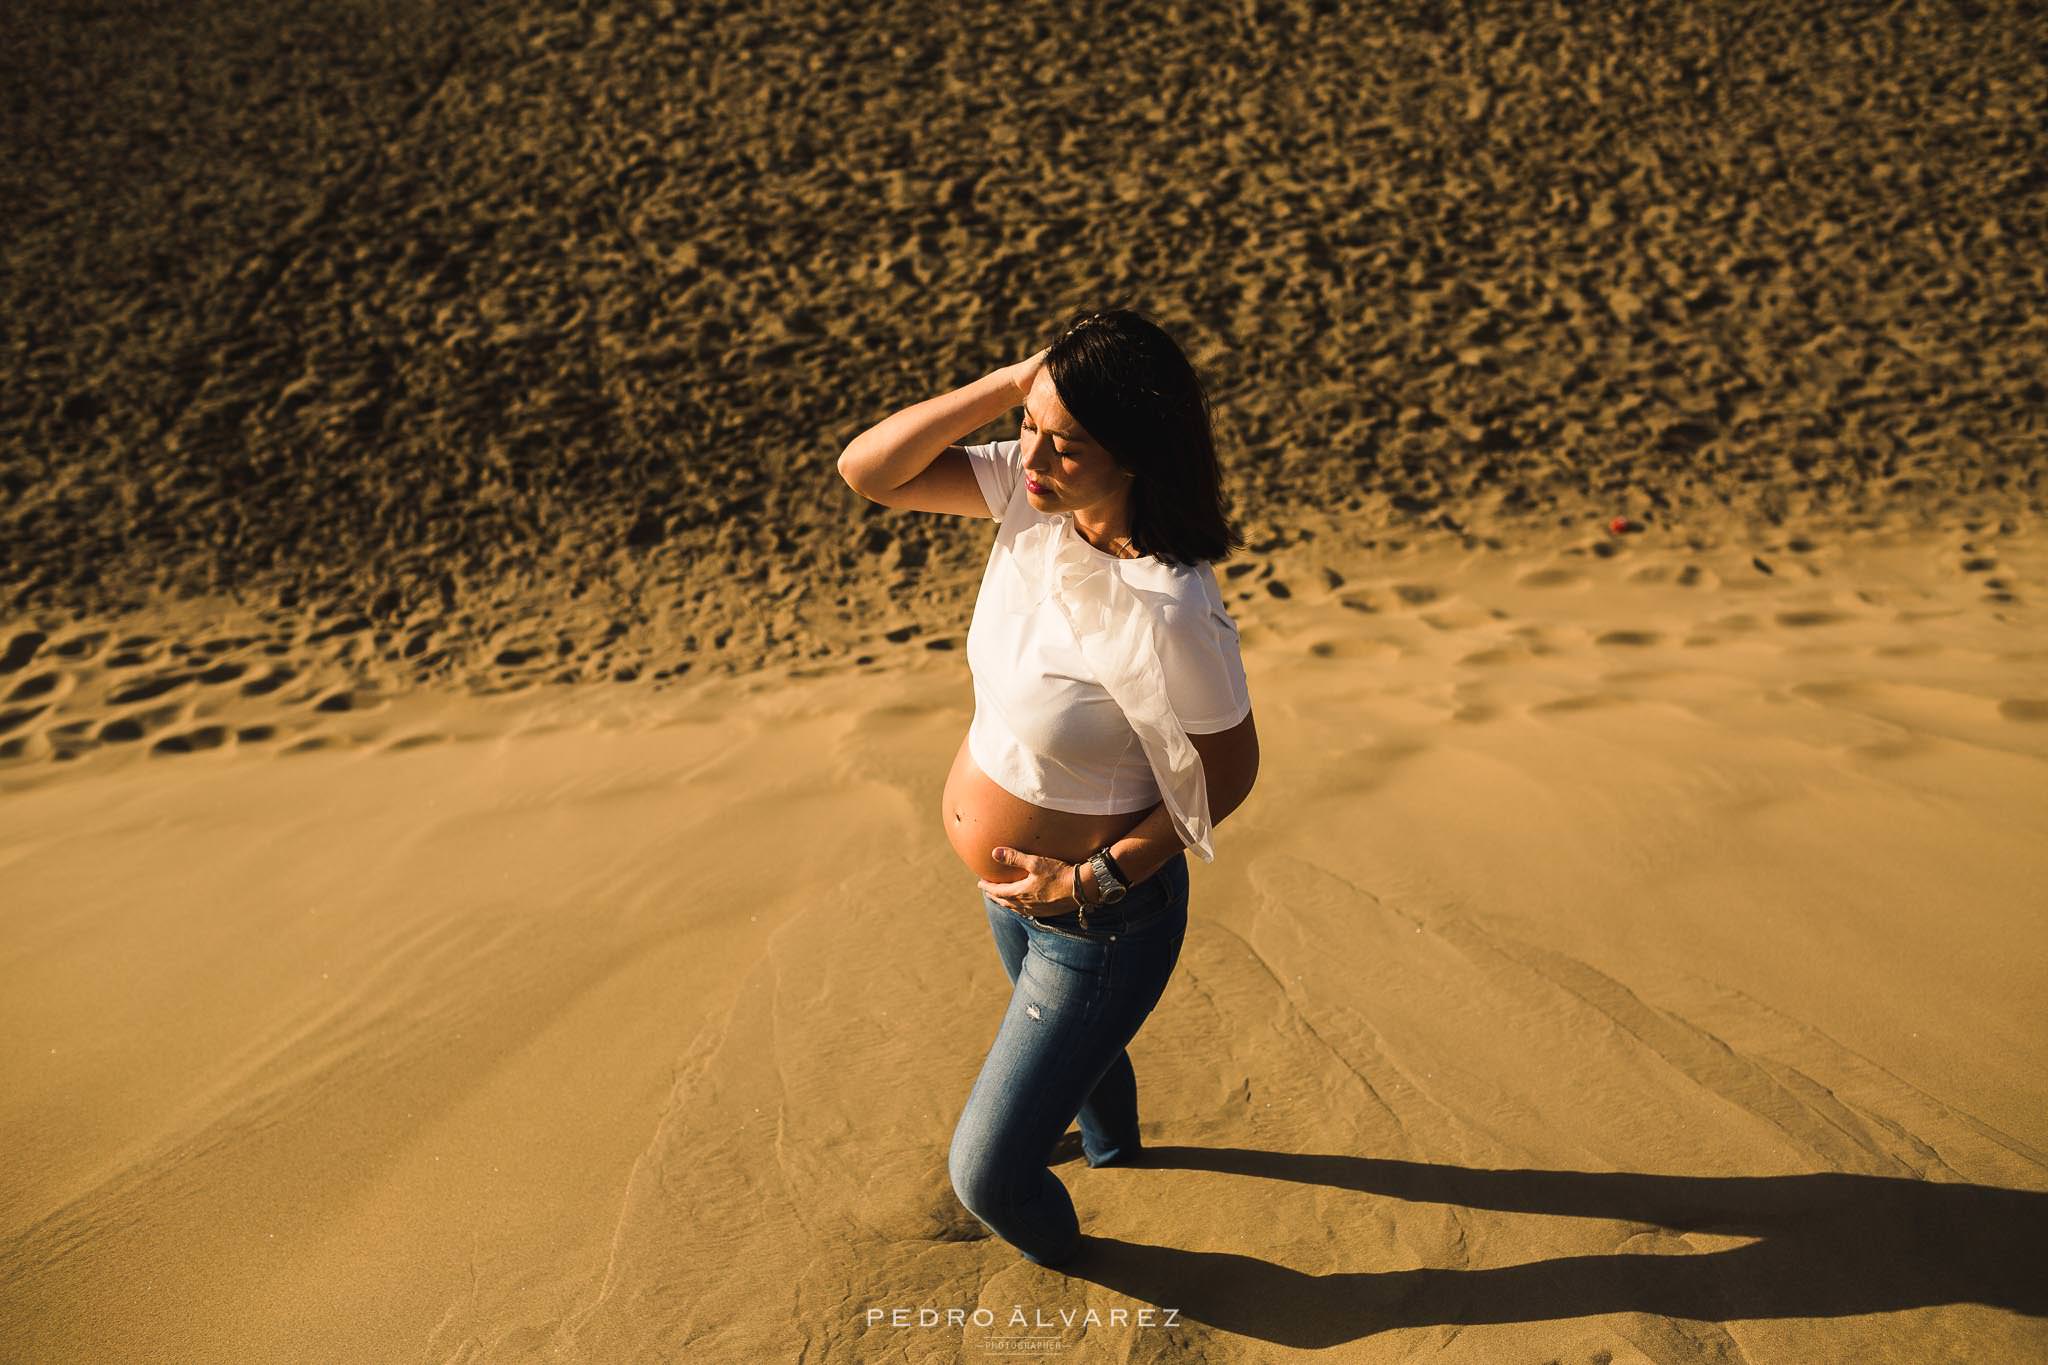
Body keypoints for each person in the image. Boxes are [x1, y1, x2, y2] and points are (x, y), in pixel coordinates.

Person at [836, 308, 1261, 1268]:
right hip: (1012, 900)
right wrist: (1019, 381)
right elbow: (869, 472)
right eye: (1030, 424)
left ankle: (1112, 1284)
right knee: (1084, 1076)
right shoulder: (1034, 496)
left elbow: (1228, 770)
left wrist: (1095, 880)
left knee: (986, 1177)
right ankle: (1116, 1150)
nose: (1034, 455)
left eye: (1067, 443)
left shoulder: (1172, 604)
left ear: (1136, 454)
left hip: (1096, 922)